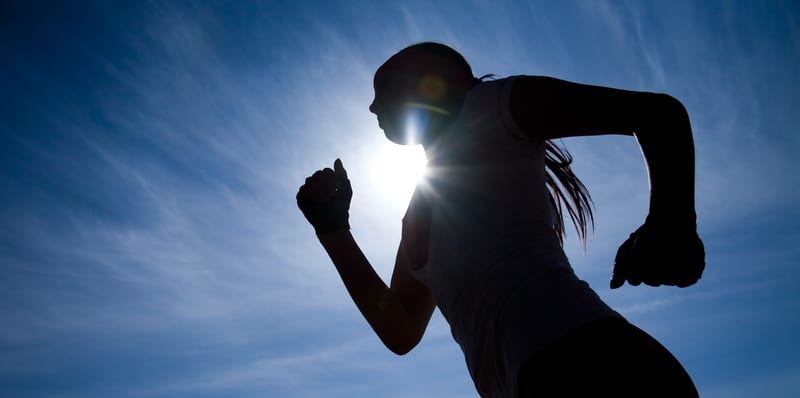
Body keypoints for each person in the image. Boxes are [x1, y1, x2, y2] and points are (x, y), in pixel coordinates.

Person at [296, 42, 705, 397]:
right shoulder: (417, 210)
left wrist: (672, 225)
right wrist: (333, 230)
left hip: (592, 362)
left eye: (384, 86)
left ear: (438, 80)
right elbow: (400, 330)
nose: (372, 106)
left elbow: (658, 114)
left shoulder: (492, 106)